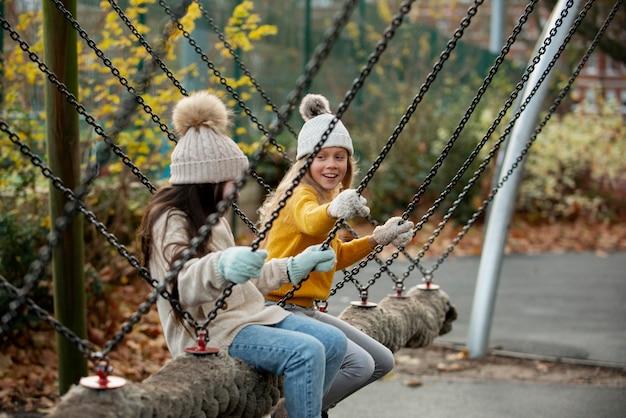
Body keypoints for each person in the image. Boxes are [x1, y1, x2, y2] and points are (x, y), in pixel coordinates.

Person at [137, 91, 348, 418]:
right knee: (306, 353)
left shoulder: (214, 216)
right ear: (206, 180)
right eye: (231, 181)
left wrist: (294, 267)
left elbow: (244, 275)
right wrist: (221, 264)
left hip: (247, 316)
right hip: (210, 329)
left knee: (333, 343)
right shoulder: (171, 220)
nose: (237, 190)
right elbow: (180, 283)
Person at [258, 94, 415, 414]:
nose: (332, 164)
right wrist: (333, 209)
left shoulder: (329, 196)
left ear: (348, 163)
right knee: (358, 365)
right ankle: (293, 413)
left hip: (304, 308)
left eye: (339, 157)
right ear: (306, 162)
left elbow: (336, 255)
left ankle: (297, 407)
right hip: (275, 306)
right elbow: (311, 222)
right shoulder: (299, 195)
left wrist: (379, 238)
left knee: (381, 362)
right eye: (322, 157)